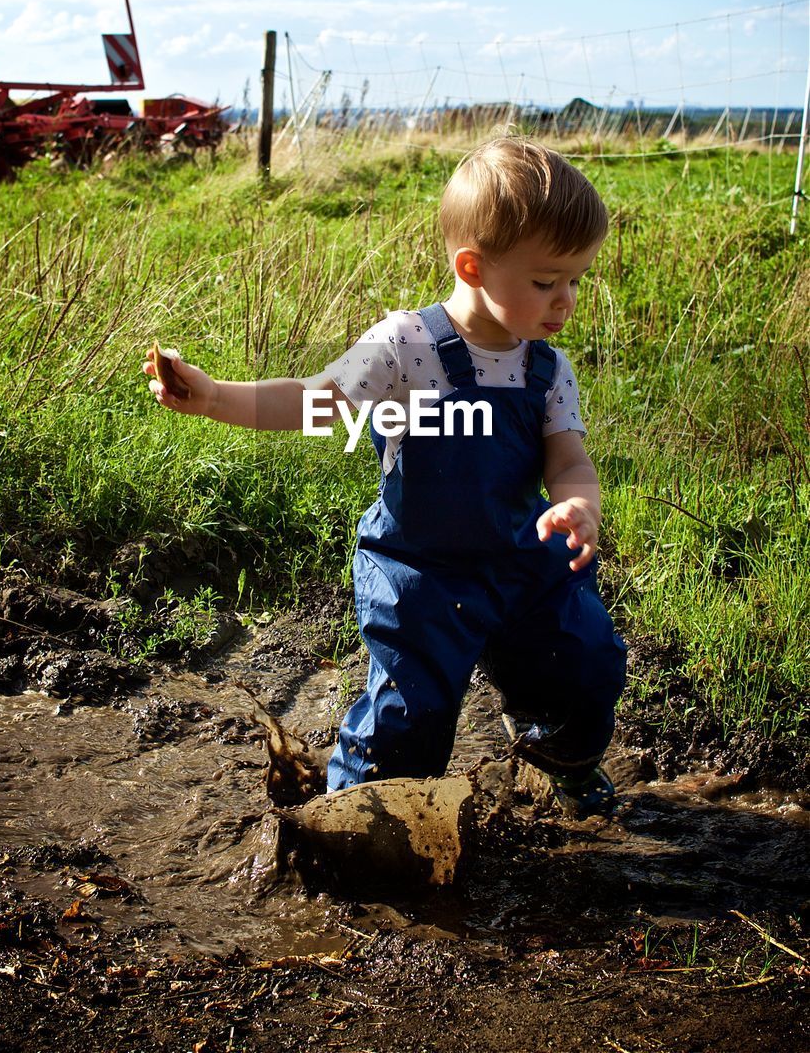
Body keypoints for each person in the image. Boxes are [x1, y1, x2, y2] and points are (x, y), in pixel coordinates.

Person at [144, 136, 627, 818]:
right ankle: (353, 822)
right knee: (408, 716)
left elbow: (569, 462)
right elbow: (315, 403)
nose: (565, 299)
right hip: (417, 569)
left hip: (522, 561)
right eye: (545, 281)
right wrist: (216, 395)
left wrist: (578, 505)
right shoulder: (407, 346)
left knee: (586, 666)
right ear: (473, 267)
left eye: (576, 278)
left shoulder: (546, 369)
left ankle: (561, 762)